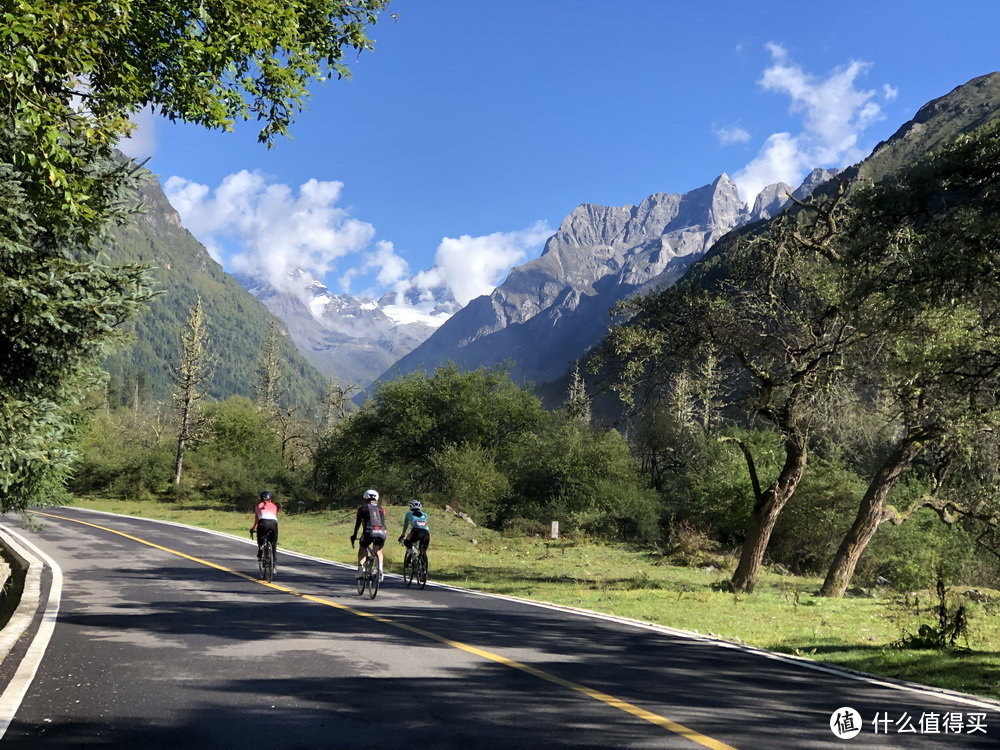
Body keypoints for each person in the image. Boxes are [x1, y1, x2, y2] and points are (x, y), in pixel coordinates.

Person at [351, 489, 388, 581]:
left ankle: (360, 571)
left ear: (365, 498)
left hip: (369, 532)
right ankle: (380, 570)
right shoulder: (382, 509)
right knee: (379, 550)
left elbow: (358, 524)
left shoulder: (362, 508)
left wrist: (354, 535)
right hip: (382, 532)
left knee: (363, 547)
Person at [250, 490, 280, 566]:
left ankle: (260, 550)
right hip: (273, 523)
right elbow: (275, 517)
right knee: (274, 543)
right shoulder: (275, 505)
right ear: (270, 499)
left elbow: (257, 520)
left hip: (263, 523)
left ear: (261, 498)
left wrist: (253, 528)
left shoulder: (258, 506)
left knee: (260, 537)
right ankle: (274, 561)